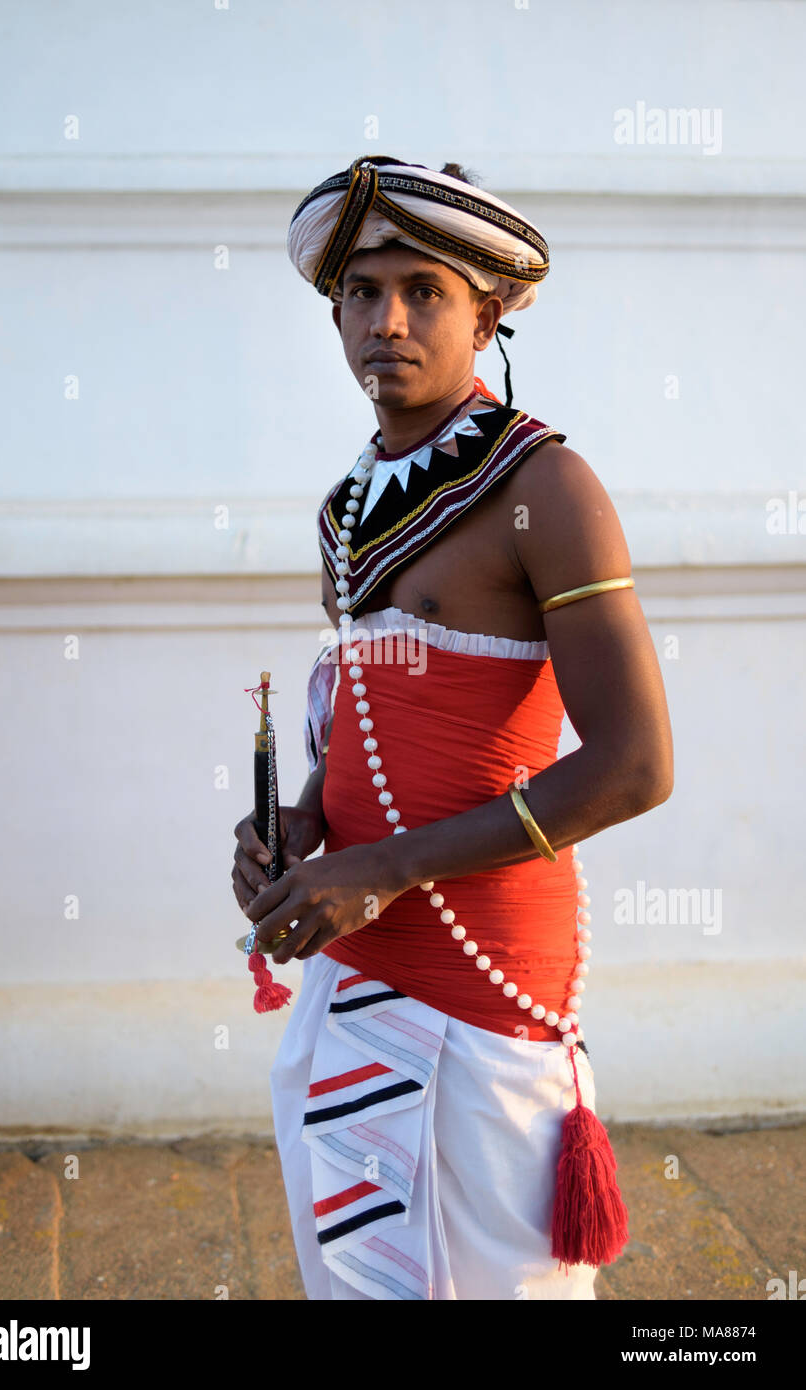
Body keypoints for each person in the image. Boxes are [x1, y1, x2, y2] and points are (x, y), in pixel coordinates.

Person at [232, 155, 674, 1300]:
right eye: (363, 291)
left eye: (424, 290)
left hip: (484, 981)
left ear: (489, 314)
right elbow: (369, 724)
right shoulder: (346, 508)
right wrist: (299, 821)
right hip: (354, 968)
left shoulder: (549, 489)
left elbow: (635, 768)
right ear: (332, 309)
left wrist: (390, 865)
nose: (389, 319)